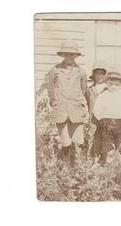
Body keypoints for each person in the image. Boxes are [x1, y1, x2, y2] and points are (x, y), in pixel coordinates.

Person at [45, 40, 89, 168]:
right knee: (65, 140)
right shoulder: (55, 70)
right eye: (66, 54)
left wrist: (80, 104)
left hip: (76, 109)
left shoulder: (81, 72)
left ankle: (78, 167)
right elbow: (50, 89)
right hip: (61, 109)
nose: (69, 57)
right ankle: (66, 167)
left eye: (72, 54)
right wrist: (55, 103)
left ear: (75, 56)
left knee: (78, 140)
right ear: (62, 55)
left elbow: (84, 90)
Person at [93, 70, 121, 164]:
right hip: (107, 122)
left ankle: (119, 162)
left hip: (120, 122)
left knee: (120, 142)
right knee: (108, 143)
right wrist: (101, 119)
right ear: (106, 84)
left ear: (120, 84)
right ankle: (108, 162)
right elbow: (96, 109)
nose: (113, 87)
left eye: (116, 84)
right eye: (110, 84)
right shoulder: (103, 96)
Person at [86, 60, 109, 161]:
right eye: (97, 73)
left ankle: (105, 159)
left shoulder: (108, 89)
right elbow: (86, 104)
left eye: (102, 73)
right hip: (93, 119)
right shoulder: (90, 90)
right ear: (93, 75)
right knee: (94, 139)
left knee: (106, 138)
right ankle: (95, 159)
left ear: (105, 76)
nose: (99, 76)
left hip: (106, 118)